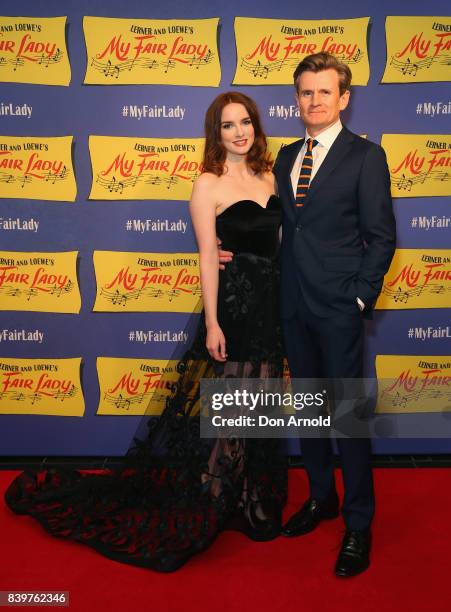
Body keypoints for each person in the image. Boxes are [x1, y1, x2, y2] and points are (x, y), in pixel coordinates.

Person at [4, 92, 287, 572]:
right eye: (227, 125)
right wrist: (214, 321)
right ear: (215, 134)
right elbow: (206, 258)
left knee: (262, 394)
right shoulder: (206, 185)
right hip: (235, 304)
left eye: (245, 123)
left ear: (256, 128)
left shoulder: (270, 176)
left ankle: (252, 493)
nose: (239, 132)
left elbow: (281, 245)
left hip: (271, 301)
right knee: (235, 396)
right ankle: (219, 490)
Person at [221, 52, 396, 577]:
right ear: (296, 97)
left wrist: (360, 297)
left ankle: (358, 524)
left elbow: (382, 237)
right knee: (313, 413)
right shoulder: (286, 155)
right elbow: (276, 226)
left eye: (324, 92)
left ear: (343, 98)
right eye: (305, 92)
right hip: (290, 305)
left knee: (348, 418)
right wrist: (231, 247)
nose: (314, 101)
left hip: (340, 308)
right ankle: (323, 498)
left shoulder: (367, 157)